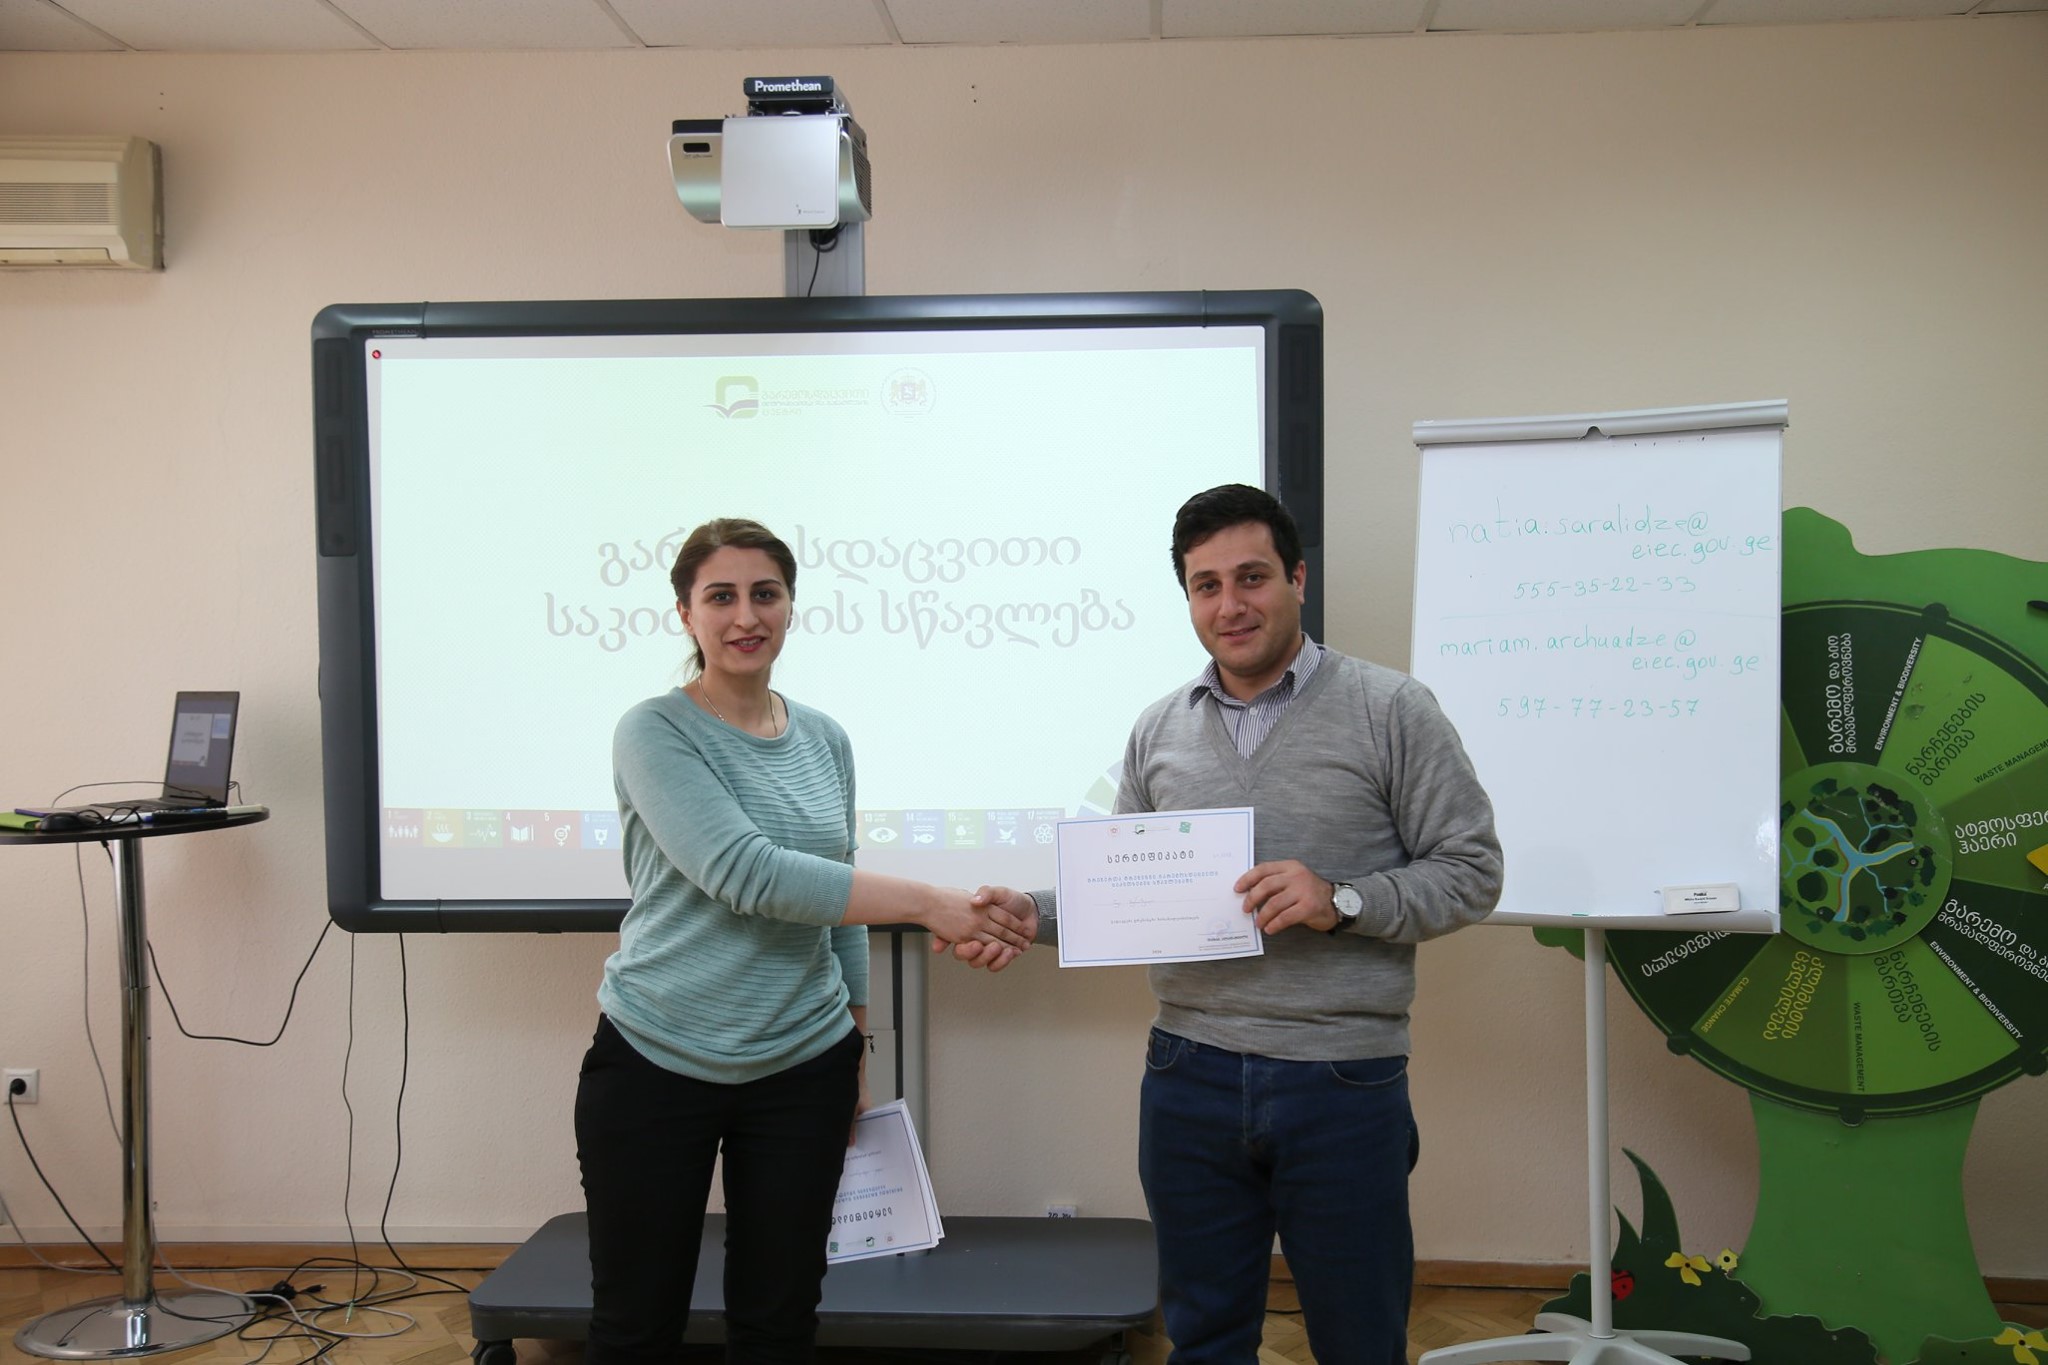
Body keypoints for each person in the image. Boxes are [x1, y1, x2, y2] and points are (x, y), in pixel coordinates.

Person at [956, 484, 1503, 1365]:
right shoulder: (1158, 729)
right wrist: (1036, 912)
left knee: (1360, 1339)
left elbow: (1472, 871)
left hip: (1342, 1078)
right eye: (1205, 585)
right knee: (1203, 1338)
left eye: (1251, 577)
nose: (1230, 604)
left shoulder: (1392, 709)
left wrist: (1342, 900)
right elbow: (1124, 892)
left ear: (1297, 578)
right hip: (1188, 1074)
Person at [577, 516, 1023, 1365]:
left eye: (766, 593)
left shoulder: (824, 737)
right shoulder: (653, 729)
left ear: (789, 605)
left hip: (802, 1068)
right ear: (686, 613)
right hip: (655, 1060)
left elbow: (836, 890)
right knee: (635, 1325)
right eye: (721, 596)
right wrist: (932, 903)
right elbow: (747, 873)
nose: (746, 615)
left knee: (780, 1324)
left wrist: (852, 1045)